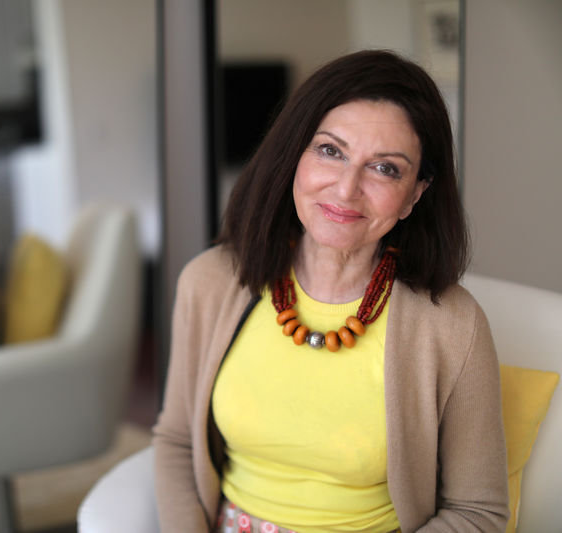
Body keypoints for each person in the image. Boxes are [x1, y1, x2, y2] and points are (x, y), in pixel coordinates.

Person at [153, 50, 509, 533]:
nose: (345, 190)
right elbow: (176, 440)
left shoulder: (454, 324)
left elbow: (477, 512)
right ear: (293, 157)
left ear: (416, 195)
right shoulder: (211, 281)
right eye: (330, 151)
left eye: (385, 168)